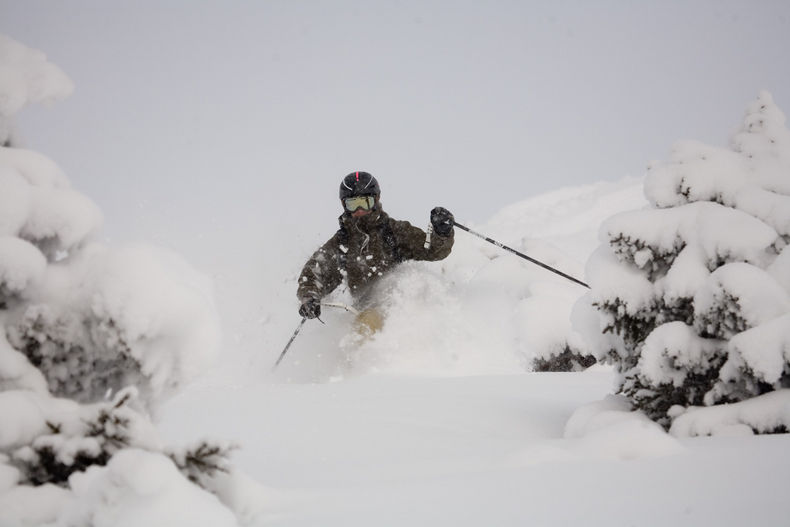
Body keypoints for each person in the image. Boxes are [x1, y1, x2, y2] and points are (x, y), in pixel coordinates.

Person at [297, 171, 454, 333]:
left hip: (401, 305)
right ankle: (364, 356)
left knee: (376, 317)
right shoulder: (341, 244)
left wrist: (442, 232)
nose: (359, 211)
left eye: (365, 203)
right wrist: (310, 297)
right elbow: (314, 273)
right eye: (352, 204)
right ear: (344, 205)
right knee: (367, 323)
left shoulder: (394, 232)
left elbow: (433, 251)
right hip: (365, 311)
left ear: (376, 199)